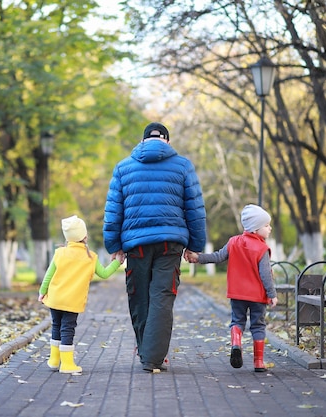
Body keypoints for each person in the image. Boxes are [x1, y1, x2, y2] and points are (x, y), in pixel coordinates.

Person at [103, 122, 207, 372]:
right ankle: (153, 357)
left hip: (136, 245)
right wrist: (195, 245)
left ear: (142, 141)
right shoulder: (183, 166)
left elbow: (113, 210)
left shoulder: (123, 167)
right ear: (167, 142)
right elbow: (195, 208)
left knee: (139, 297)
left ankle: (147, 350)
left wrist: (113, 245)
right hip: (170, 243)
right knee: (162, 297)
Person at [190, 204, 278, 372]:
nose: (270, 228)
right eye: (266, 226)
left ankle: (236, 343)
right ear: (255, 228)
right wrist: (272, 294)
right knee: (258, 326)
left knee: (237, 321)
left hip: (237, 294)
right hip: (257, 296)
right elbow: (266, 274)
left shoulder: (233, 242)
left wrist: (198, 257)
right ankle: (259, 362)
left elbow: (217, 257)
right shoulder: (262, 248)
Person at [38, 215, 123, 374]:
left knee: (56, 325)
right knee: (68, 329)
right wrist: (117, 261)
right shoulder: (91, 257)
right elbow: (104, 274)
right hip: (72, 302)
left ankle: (54, 360)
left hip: (55, 298)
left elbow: (48, 276)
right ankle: (67, 364)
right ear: (84, 236)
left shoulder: (60, 253)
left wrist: (42, 293)